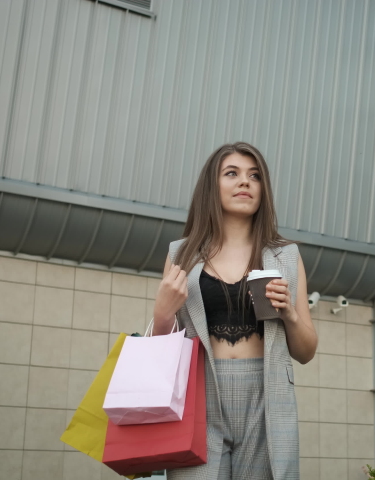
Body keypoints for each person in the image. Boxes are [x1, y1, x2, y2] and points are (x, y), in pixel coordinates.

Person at [151, 142, 318, 480]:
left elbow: (306, 352)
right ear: (212, 186)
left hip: (266, 394)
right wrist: (162, 314)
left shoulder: (285, 256)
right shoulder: (181, 254)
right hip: (200, 395)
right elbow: (161, 350)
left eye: (254, 176)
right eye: (232, 173)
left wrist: (290, 314)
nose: (245, 182)